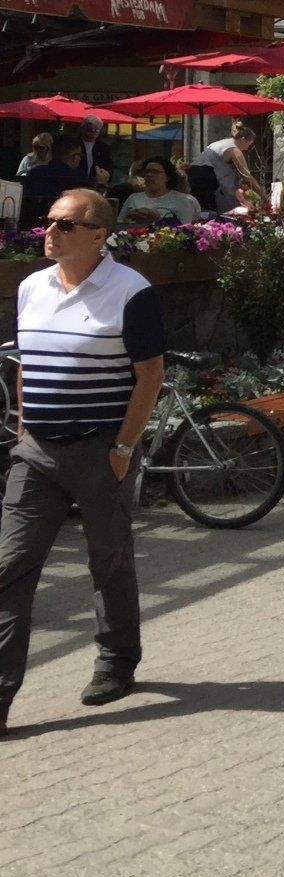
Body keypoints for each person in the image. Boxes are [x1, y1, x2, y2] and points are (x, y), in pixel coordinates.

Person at [0, 189, 165, 732]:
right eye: (47, 221)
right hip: (37, 451)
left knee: (108, 559)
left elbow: (149, 375)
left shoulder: (130, 291)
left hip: (100, 450)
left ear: (98, 235)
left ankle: (117, 662)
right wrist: (24, 427)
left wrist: (122, 448)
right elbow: (25, 363)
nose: (49, 230)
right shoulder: (31, 287)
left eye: (64, 224)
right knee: (9, 567)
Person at [187, 122, 260, 215]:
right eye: (248, 145)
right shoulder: (234, 150)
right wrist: (263, 195)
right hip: (206, 177)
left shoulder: (220, 143)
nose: (246, 149)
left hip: (194, 174)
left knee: (200, 209)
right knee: (212, 210)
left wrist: (243, 200)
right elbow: (247, 177)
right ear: (243, 140)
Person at [21, 139, 90, 226]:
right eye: (79, 155)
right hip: (64, 226)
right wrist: (101, 183)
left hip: (31, 223)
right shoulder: (79, 177)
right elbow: (90, 205)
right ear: (73, 157)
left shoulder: (34, 172)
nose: (79, 159)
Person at [118, 158, 199, 228]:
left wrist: (158, 219)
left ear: (167, 177)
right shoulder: (133, 198)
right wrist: (127, 220)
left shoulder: (182, 200)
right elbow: (118, 223)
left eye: (155, 172)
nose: (149, 175)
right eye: (147, 172)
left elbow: (187, 230)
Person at [76, 116, 114, 189]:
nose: (93, 133)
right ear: (83, 129)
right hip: (78, 181)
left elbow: (109, 164)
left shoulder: (103, 147)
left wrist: (106, 174)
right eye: (90, 130)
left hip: (96, 183)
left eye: (96, 131)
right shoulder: (75, 144)